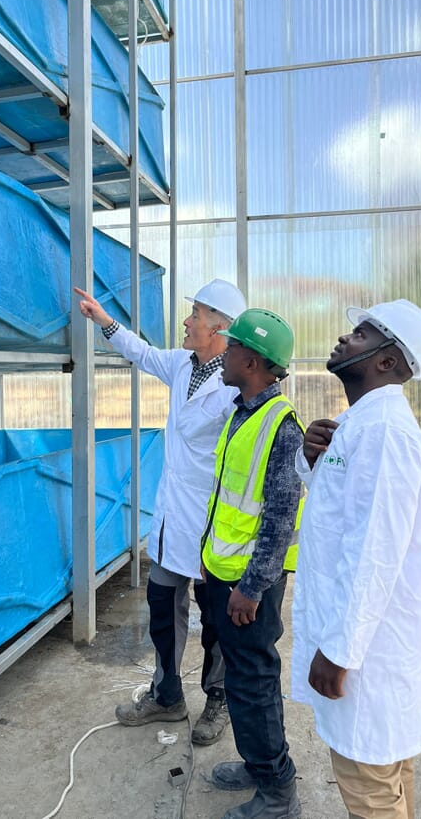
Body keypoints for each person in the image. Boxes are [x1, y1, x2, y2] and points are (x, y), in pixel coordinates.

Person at [74, 279, 246, 746]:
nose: (186, 322)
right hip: (173, 515)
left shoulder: (236, 383)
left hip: (214, 519)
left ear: (220, 327)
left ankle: (218, 698)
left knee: (216, 619)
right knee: (163, 608)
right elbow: (142, 352)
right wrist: (104, 321)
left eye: (195, 315)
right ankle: (167, 694)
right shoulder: (180, 363)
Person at [291, 299, 421, 819]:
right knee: (388, 776)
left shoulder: (384, 433)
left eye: (360, 334)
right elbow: (337, 513)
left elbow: (375, 551)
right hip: (365, 648)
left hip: (367, 657)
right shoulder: (358, 424)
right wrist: (310, 461)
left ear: (386, 360)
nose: (343, 339)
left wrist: (340, 650)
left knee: (371, 789)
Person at [200, 308, 305, 819]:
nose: (224, 351)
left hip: (249, 585)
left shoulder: (282, 427)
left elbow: (281, 518)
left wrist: (252, 585)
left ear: (254, 360)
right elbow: (228, 499)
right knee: (242, 676)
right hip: (224, 573)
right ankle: (257, 762)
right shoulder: (243, 411)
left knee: (254, 678)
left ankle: (277, 787)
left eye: (232, 345)